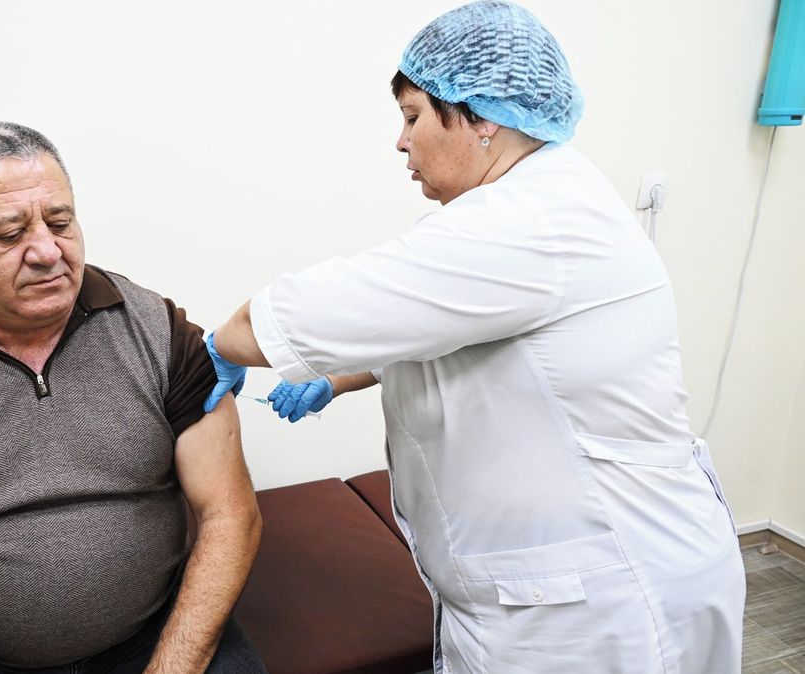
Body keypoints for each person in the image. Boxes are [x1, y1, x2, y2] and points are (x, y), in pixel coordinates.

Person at [203, 2, 744, 672]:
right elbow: (453, 327)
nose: (401, 142)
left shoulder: (527, 223)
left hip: (607, 599)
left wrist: (220, 345)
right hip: (571, 576)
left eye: (412, 117)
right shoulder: (536, 201)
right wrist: (339, 376)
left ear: (483, 116)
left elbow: (323, 309)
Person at [0, 122, 266, 674]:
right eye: (9, 234)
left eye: (60, 223)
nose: (46, 252)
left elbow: (229, 513)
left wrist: (173, 666)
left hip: (158, 637)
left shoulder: (158, 332)